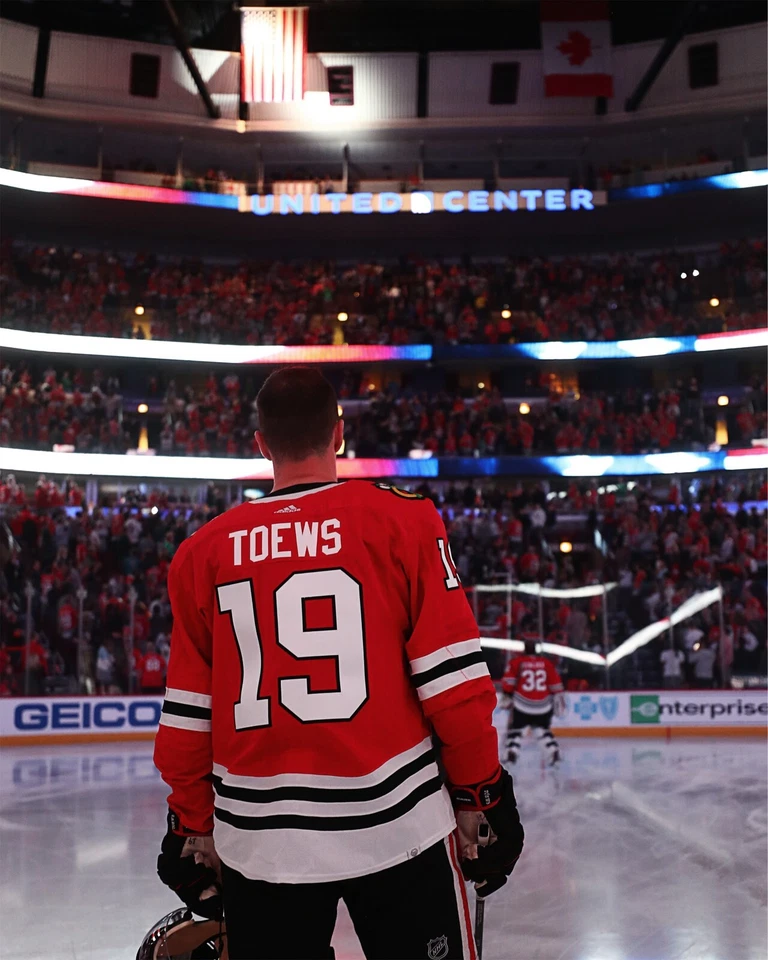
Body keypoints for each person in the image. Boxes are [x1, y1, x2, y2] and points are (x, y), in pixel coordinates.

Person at [153, 368, 524, 960]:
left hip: (260, 839)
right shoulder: (404, 521)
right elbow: (452, 685)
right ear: (340, 434)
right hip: (397, 825)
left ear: (261, 443)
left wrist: (190, 823)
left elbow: (187, 718)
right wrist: (482, 794)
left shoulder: (201, 552)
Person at [502, 640, 564, 765]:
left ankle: (511, 753)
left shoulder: (517, 662)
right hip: (543, 706)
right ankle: (553, 751)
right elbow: (556, 686)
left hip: (522, 705)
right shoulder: (546, 663)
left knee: (516, 731)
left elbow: (508, 683)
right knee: (543, 730)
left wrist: (507, 695)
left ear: (524, 649)